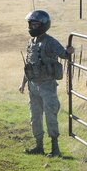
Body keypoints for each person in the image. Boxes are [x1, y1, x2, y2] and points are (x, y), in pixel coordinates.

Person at [18, 10, 74, 157]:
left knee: (50, 116)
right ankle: (39, 146)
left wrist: (69, 51)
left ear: (43, 25)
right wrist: (23, 83)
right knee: (35, 116)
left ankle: (55, 148)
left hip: (47, 86)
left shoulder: (50, 42)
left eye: (35, 24)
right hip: (33, 86)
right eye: (30, 24)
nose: (32, 27)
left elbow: (64, 54)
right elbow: (29, 65)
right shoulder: (30, 43)